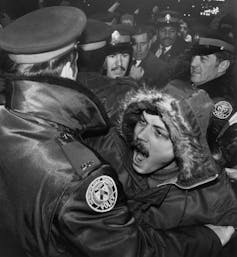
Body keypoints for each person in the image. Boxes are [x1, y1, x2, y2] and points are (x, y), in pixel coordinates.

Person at [0, 6, 231, 257]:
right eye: (141, 123)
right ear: (69, 70)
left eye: (160, 133)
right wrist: (208, 238)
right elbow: (130, 250)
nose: (140, 137)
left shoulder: (8, 121)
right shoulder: (86, 168)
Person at [190, 27, 237, 168]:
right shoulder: (195, 88)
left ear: (223, 65)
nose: (193, 64)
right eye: (193, 57)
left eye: (203, 59)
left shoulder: (220, 102)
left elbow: (208, 154)